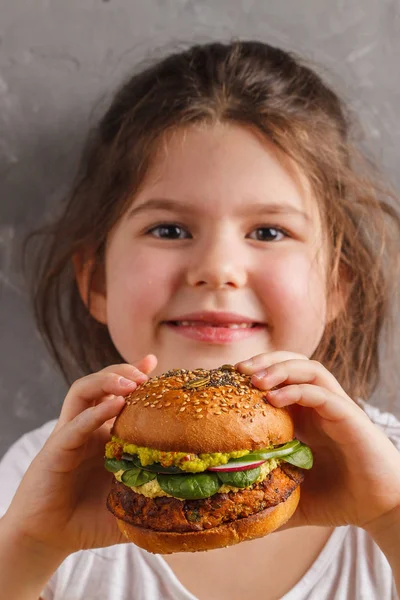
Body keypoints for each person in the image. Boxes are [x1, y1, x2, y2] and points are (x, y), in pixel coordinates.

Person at [0, 39, 400, 600]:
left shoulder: (392, 468)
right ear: (96, 282)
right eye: (169, 230)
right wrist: (28, 551)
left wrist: (391, 519)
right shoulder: (37, 478)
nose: (217, 270)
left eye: (268, 232)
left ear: (337, 285)